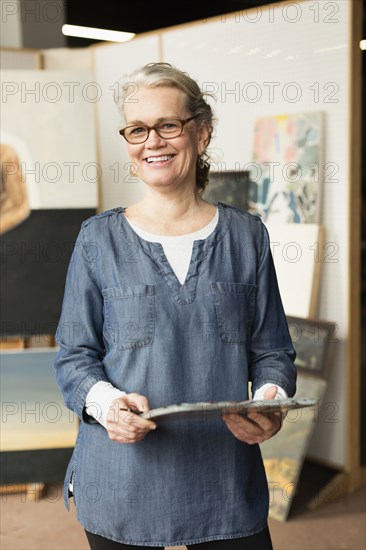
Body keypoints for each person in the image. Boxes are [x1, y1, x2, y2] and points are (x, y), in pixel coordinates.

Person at [53, 62, 296, 550]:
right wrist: (106, 406)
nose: (153, 142)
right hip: (122, 478)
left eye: (168, 125)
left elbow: (272, 351)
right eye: (138, 129)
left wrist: (271, 401)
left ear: (201, 133)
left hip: (225, 481)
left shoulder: (248, 237)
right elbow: (74, 356)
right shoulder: (97, 240)